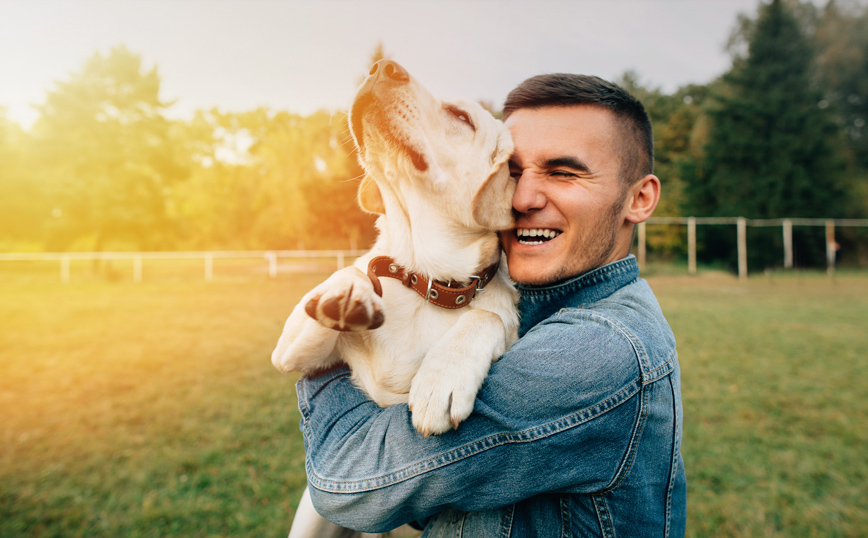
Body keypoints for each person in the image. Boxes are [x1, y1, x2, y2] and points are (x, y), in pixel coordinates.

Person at [290, 74, 686, 537]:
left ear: (640, 199)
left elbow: (353, 482)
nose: (520, 198)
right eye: (513, 171)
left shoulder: (600, 350)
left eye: (563, 172)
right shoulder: (522, 304)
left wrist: (327, 346)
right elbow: (429, 503)